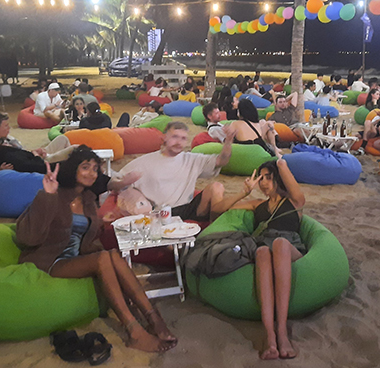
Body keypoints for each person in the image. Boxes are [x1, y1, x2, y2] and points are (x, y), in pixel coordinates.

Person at [15, 147, 177, 352]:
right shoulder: (53, 196)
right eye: (85, 167)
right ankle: (134, 331)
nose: (91, 173)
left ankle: (153, 318)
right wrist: (47, 195)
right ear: (73, 169)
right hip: (50, 260)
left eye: (95, 168)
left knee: (112, 255)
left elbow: (82, 235)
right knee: (102, 258)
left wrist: (101, 223)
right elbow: (28, 237)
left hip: (75, 258)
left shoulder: (89, 198)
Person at [211, 159, 305, 360]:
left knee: (279, 244)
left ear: (278, 179)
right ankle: (269, 334)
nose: (263, 183)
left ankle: (282, 331)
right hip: (265, 247)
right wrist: (244, 192)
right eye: (261, 178)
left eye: (268, 178)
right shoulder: (257, 205)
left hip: (289, 247)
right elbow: (220, 208)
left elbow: (285, 170)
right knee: (262, 251)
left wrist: (280, 162)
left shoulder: (295, 201)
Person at [113, 122, 233, 222]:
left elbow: (221, 161)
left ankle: (214, 231)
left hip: (189, 207)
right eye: (174, 137)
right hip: (161, 212)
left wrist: (228, 141)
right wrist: (125, 182)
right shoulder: (144, 162)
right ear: (164, 137)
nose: (178, 142)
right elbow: (115, 183)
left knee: (217, 187)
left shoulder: (192, 159)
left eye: (183, 138)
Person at [0, 111, 75, 166]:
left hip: (34, 157)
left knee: (62, 139)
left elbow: (22, 153)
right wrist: (36, 156)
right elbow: (21, 162)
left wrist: (35, 151)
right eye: (6, 126)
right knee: (74, 149)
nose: (9, 128)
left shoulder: (7, 137)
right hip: (37, 163)